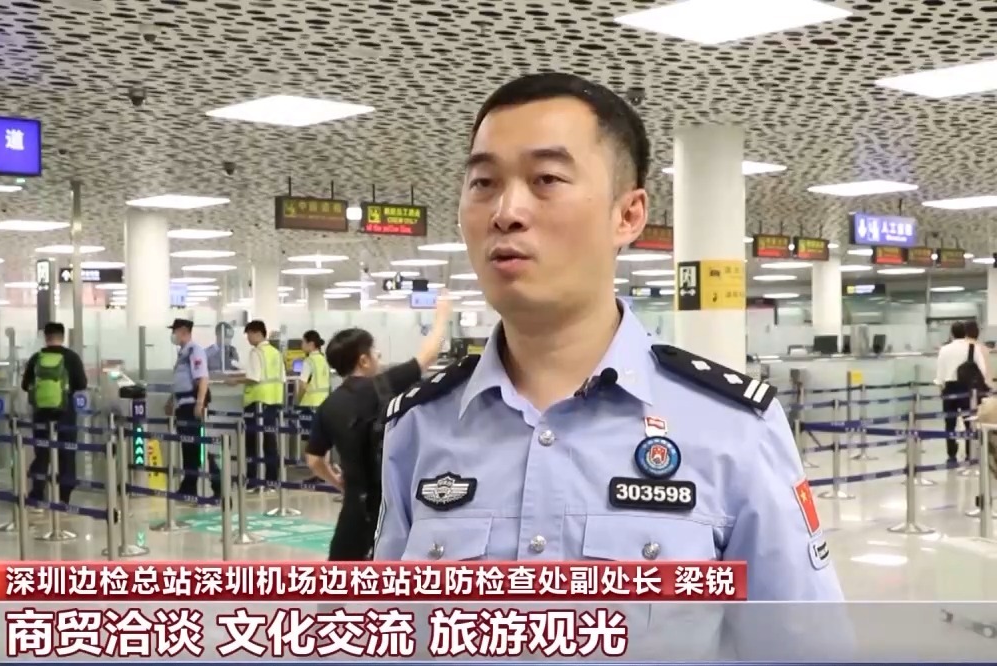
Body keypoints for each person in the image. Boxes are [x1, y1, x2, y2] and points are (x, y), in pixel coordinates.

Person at [371, 73, 849, 658]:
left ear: (628, 215)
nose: (506, 211)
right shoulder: (420, 427)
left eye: (546, 179)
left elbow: (806, 650)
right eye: (483, 182)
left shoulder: (733, 429)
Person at [305, 296, 451, 561]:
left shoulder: (328, 406)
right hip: (394, 505)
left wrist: (337, 480)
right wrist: (442, 315)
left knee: (339, 576)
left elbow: (314, 460)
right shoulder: (384, 385)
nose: (379, 357)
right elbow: (430, 354)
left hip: (354, 508)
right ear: (364, 360)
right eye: (375, 352)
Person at [21, 322, 88, 511]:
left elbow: (25, 385)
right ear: (62, 337)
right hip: (65, 413)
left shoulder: (36, 358)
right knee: (67, 453)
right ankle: (64, 497)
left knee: (42, 453)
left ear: (46, 337)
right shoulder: (71, 357)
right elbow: (82, 383)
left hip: (41, 413)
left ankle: (37, 494)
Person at [166, 318, 220, 500]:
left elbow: (202, 378)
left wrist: (199, 403)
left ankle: (217, 485)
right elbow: (180, 382)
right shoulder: (183, 353)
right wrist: (171, 401)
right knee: (188, 447)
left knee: (198, 447)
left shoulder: (194, 350)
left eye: (174, 331)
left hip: (192, 405)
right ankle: (189, 486)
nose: (173, 335)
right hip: (182, 405)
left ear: (183, 331)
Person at [229, 320, 285, 491]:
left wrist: (235, 380)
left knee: (252, 442)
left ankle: (253, 481)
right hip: (274, 401)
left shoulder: (256, 352)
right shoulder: (276, 353)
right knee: (270, 442)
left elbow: (254, 377)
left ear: (257, 333)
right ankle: (271, 481)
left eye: (248, 335)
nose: (248, 339)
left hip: (257, 402)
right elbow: (282, 378)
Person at [937, 320, 990, 463]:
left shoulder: (944, 349)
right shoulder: (973, 348)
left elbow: (940, 375)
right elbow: (983, 370)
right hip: (968, 389)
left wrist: (941, 387)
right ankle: (969, 452)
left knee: (949, 423)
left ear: (952, 333)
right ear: (965, 333)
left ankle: (951, 454)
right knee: (969, 422)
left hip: (949, 388)